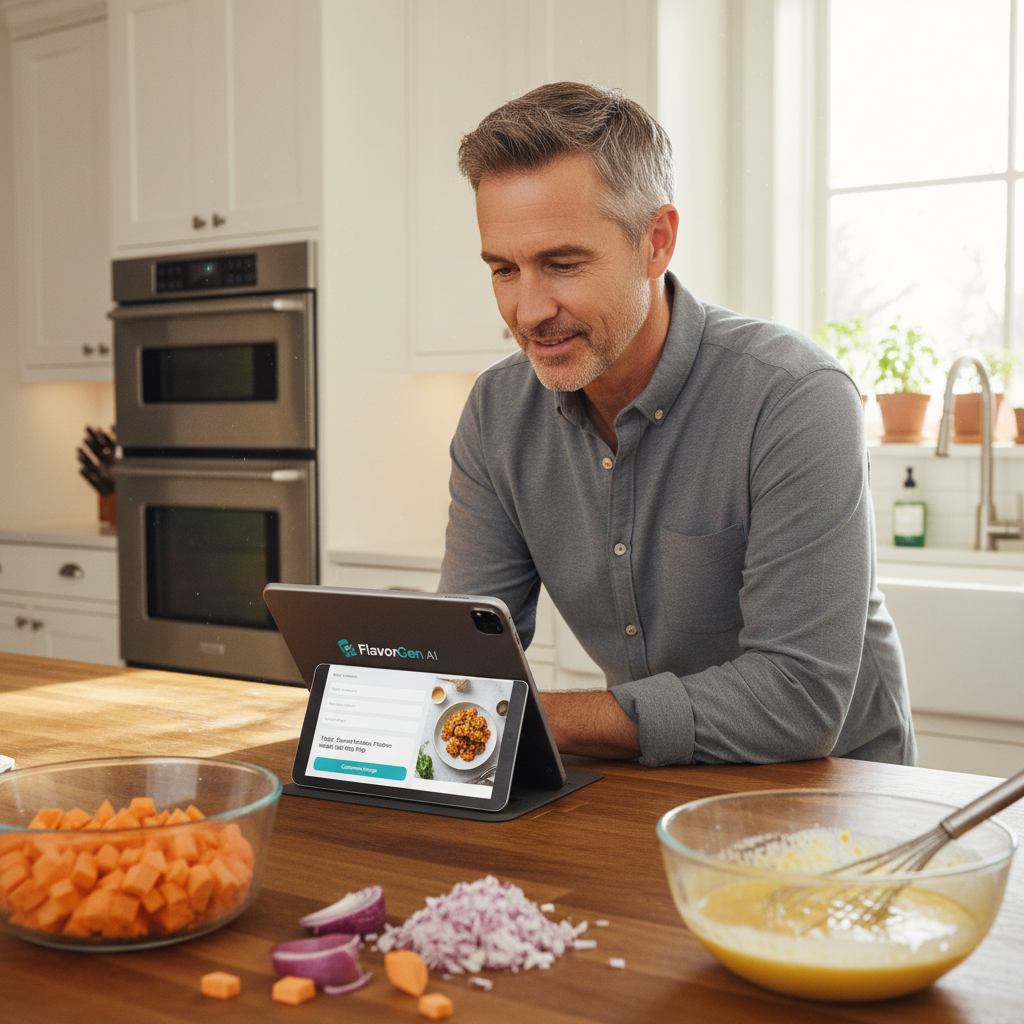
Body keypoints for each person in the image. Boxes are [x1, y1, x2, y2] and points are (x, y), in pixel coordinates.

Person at [438, 82, 916, 768]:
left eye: (562, 264)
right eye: (503, 269)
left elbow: (797, 698)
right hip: (650, 782)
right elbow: (466, 662)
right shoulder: (496, 414)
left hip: (835, 793)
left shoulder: (794, 397)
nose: (529, 308)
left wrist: (531, 715)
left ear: (656, 242)